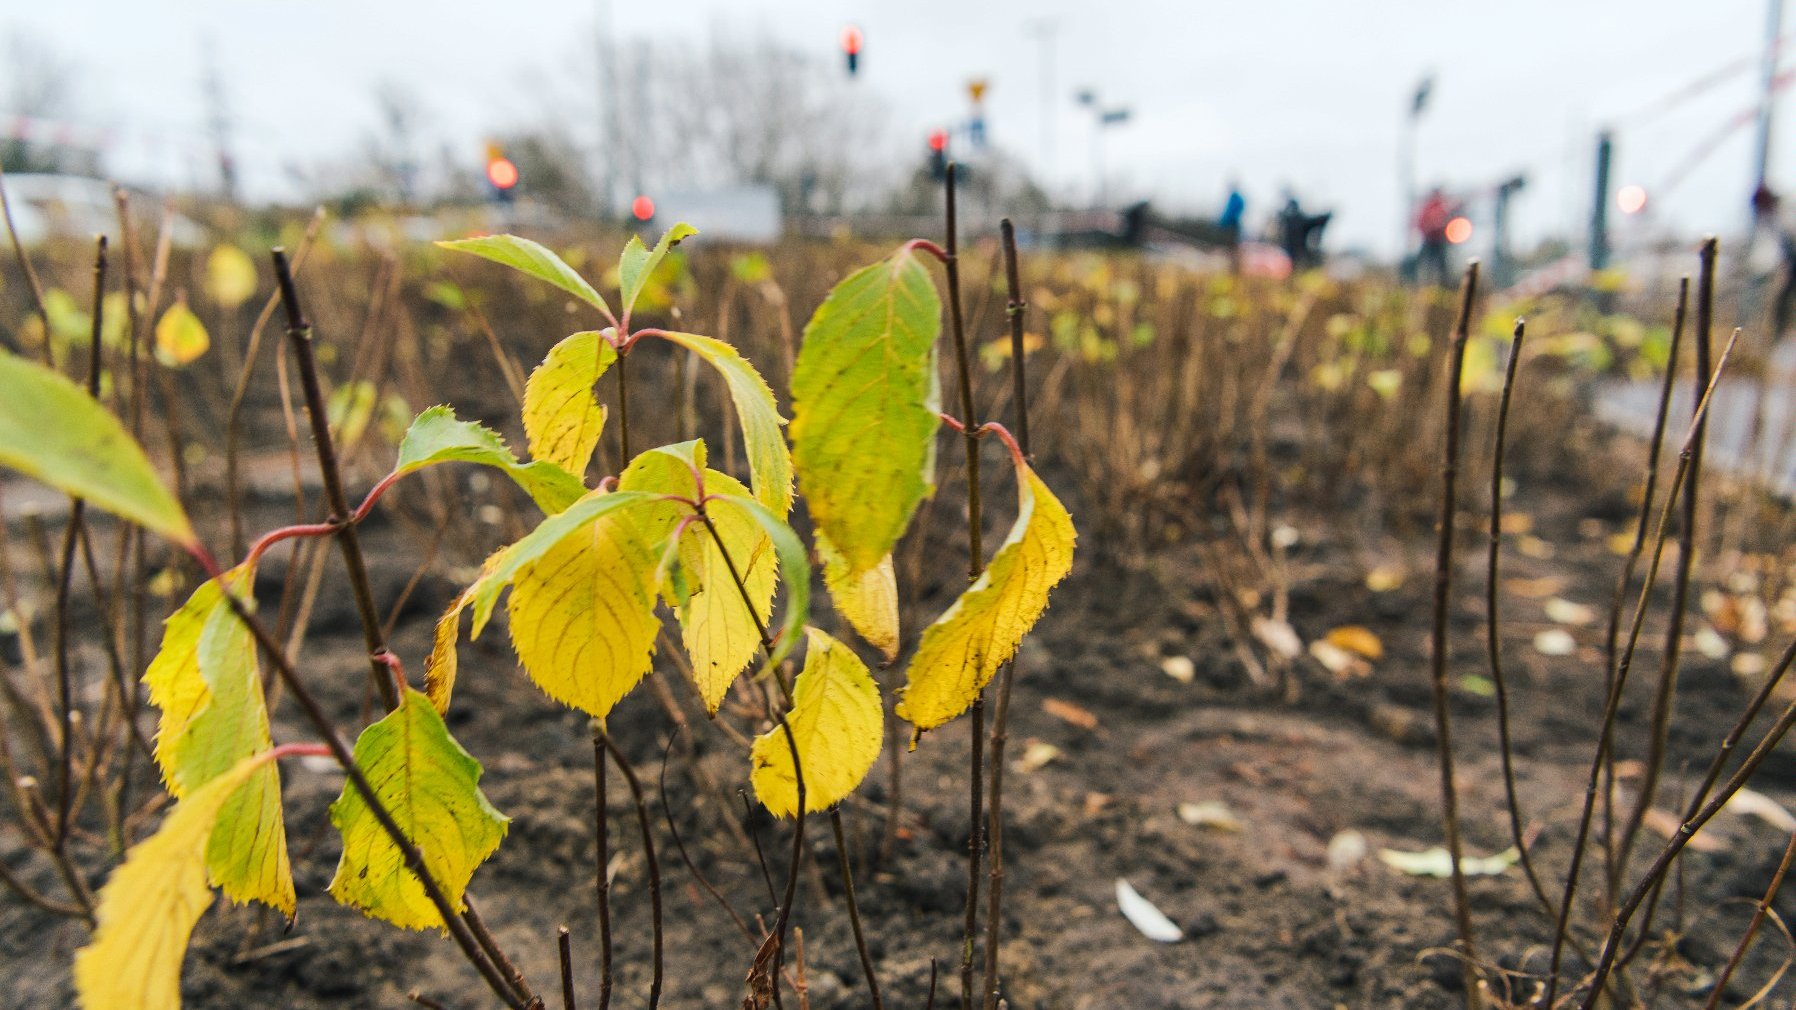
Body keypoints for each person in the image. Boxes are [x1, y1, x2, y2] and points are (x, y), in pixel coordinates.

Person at [1414, 187, 1453, 287]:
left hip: (1439, 241)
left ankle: (1442, 285)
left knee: (1441, 266)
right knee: (1427, 264)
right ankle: (1425, 284)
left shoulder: (1442, 207)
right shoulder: (1429, 208)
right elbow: (1421, 223)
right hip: (1429, 240)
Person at [1218, 180, 1246, 272]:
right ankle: (1232, 266)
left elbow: (1231, 213)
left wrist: (1226, 221)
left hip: (1233, 226)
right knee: (1229, 247)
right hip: (1229, 225)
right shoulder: (1232, 198)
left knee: (1233, 247)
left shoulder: (1237, 199)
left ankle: (1235, 267)